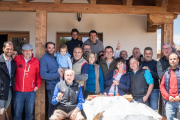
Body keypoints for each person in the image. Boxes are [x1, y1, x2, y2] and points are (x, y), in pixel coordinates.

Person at [13, 44, 41, 120]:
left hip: (31, 92)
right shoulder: (17, 59)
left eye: (29, 50)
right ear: (22, 51)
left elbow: (38, 75)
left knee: (29, 114)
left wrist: (37, 85)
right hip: (18, 91)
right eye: (26, 51)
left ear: (32, 51)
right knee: (17, 114)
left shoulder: (36, 61)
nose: (28, 52)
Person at [40, 42, 63, 119]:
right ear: (46, 49)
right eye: (49, 48)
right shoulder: (44, 59)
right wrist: (58, 75)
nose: (51, 49)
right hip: (52, 87)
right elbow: (43, 75)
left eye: (53, 47)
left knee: (59, 108)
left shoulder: (55, 57)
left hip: (59, 85)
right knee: (52, 108)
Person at [160, 52, 180, 120]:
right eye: (171, 59)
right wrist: (168, 97)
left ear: (178, 60)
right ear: (169, 60)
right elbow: (162, 86)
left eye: (174, 59)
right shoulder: (166, 73)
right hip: (169, 101)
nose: (172, 60)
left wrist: (179, 96)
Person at [0, 41, 16, 110]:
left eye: (11, 49)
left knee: (4, 112)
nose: (9, 51)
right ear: (3, 49)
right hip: (1, 90)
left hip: (9, 90)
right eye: (7, 49)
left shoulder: (13, 62)